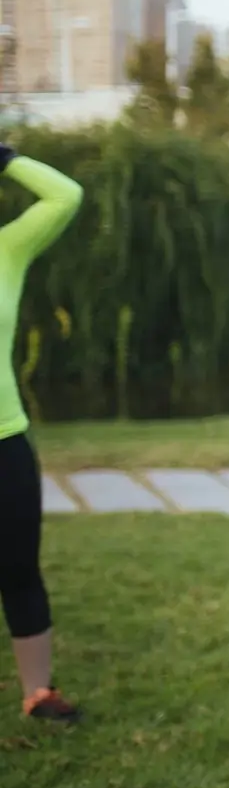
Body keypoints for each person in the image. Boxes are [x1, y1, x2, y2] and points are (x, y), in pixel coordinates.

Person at [0, 142, 84, 724]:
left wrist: (5, 156)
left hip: (6, 439)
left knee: (19, 568)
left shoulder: (8, 247)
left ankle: (38, 694)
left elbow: (66, 195)